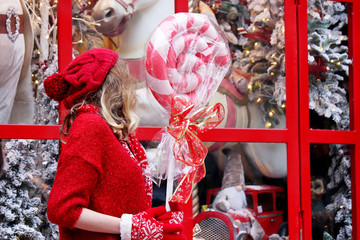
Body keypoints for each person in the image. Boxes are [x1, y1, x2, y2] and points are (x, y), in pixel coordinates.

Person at [44, 48, 185, 240]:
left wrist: (155, 225)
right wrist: (130, 227)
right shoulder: (89, 126)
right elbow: (62, 209)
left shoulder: (116, 133)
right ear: (116, 84)